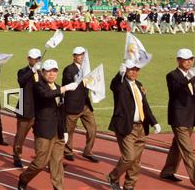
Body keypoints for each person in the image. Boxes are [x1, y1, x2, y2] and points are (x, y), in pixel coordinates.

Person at [18, 60, 77, 190]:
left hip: (58, 132)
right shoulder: (38, 86)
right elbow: (46, 95)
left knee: (57, 163)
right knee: (40, 163)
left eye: (54, 71)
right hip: (44, 131)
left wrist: (65, 131)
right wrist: (65, 88)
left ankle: (58, 187)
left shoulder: (58, 87)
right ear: (43, 72)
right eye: (48, 71)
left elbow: (61, 110)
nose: (51, 74)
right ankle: (24, 178)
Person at [106, 60, 160, 190]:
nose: (134, 72)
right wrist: (120, 74)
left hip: (141, 126)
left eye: (137, 70)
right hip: (125, 126)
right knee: (129, 157)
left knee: (136, 160)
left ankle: (129, 185)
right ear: (126, 70)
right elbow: (114, 85)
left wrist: (154, 122)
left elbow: (144, 105)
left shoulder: (139, 85)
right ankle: (113, 177)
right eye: (131, 69)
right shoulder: (121, 84)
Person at [160, 49, 195, 186]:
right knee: (187, 150)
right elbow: (177, 90)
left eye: (191, 59)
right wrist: (190, 78)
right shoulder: (172, 76)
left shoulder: (193, 75)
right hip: (179, 118)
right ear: (178, 60)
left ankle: (168, 171)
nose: (189, 62)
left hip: (190, 117)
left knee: (177, 147)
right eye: (186, 59)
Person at [62, 47, 98, 163]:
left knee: (92, 129)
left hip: (85, 105)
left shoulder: (87, 69)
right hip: (72, 105)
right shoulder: (69, 69)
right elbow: (68, 83)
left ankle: (88, 151)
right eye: (78, 55)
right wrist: (78, 77)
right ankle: (67, 151)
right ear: (73, 56)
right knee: (69, 131)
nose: (81, 57)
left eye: (82, 55)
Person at [13, 48, 41, 168]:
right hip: (25, 109)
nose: (35, 61)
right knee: (20, 136)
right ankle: (17, 156)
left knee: (41, 136)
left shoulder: (42, 72)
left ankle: (43, 159)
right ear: (28, 59)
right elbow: (21, 81)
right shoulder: (23, 71)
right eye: (32, 59)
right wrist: (32, 71)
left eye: (37, 59)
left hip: (39, 110)